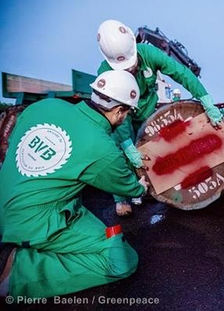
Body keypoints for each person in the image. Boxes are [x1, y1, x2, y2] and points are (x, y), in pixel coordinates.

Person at [0, 70, 149, 298]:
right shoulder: (102, 149)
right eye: (127, 113)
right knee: (121, 260)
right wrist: (142, 187)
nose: (125, 118)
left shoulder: (44, 107)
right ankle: (17, 269)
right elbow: (129, 188)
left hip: (5, 204)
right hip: (32, 223)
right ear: (120, 111)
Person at [97, 19, 223, 216]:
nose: (130, 69)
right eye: (124, 68)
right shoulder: (105, 72)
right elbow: (115, 111)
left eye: (131, 64)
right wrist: (128, 146)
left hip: (147, 108)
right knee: (121, 151)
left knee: (158, 145)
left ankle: (156, 183)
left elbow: (181, 73)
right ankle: (122, 197)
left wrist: (205, 99)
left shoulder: (148, 53)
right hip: (123, 115)